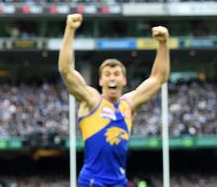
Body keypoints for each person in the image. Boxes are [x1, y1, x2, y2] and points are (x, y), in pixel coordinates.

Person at [58, 14, 170, 187]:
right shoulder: (92, 100)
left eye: (117, 74)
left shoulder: (129, 104)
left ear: (124, 80)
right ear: (101, 80)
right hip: (93, 181)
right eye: (107, 74)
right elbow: (66, 70)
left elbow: (159, 77)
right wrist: (70, 29)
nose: (112, 78)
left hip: (119, 181)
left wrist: (163, 44)